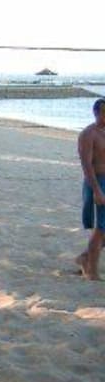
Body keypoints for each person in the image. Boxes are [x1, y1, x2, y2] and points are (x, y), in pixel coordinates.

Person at [76, 98, 105, 280]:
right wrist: (96, 190)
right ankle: (92, 271)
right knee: (101, 228)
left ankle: (85, 257)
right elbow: (86, 164)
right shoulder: (88, 134)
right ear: (96, 113)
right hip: (97, 181)